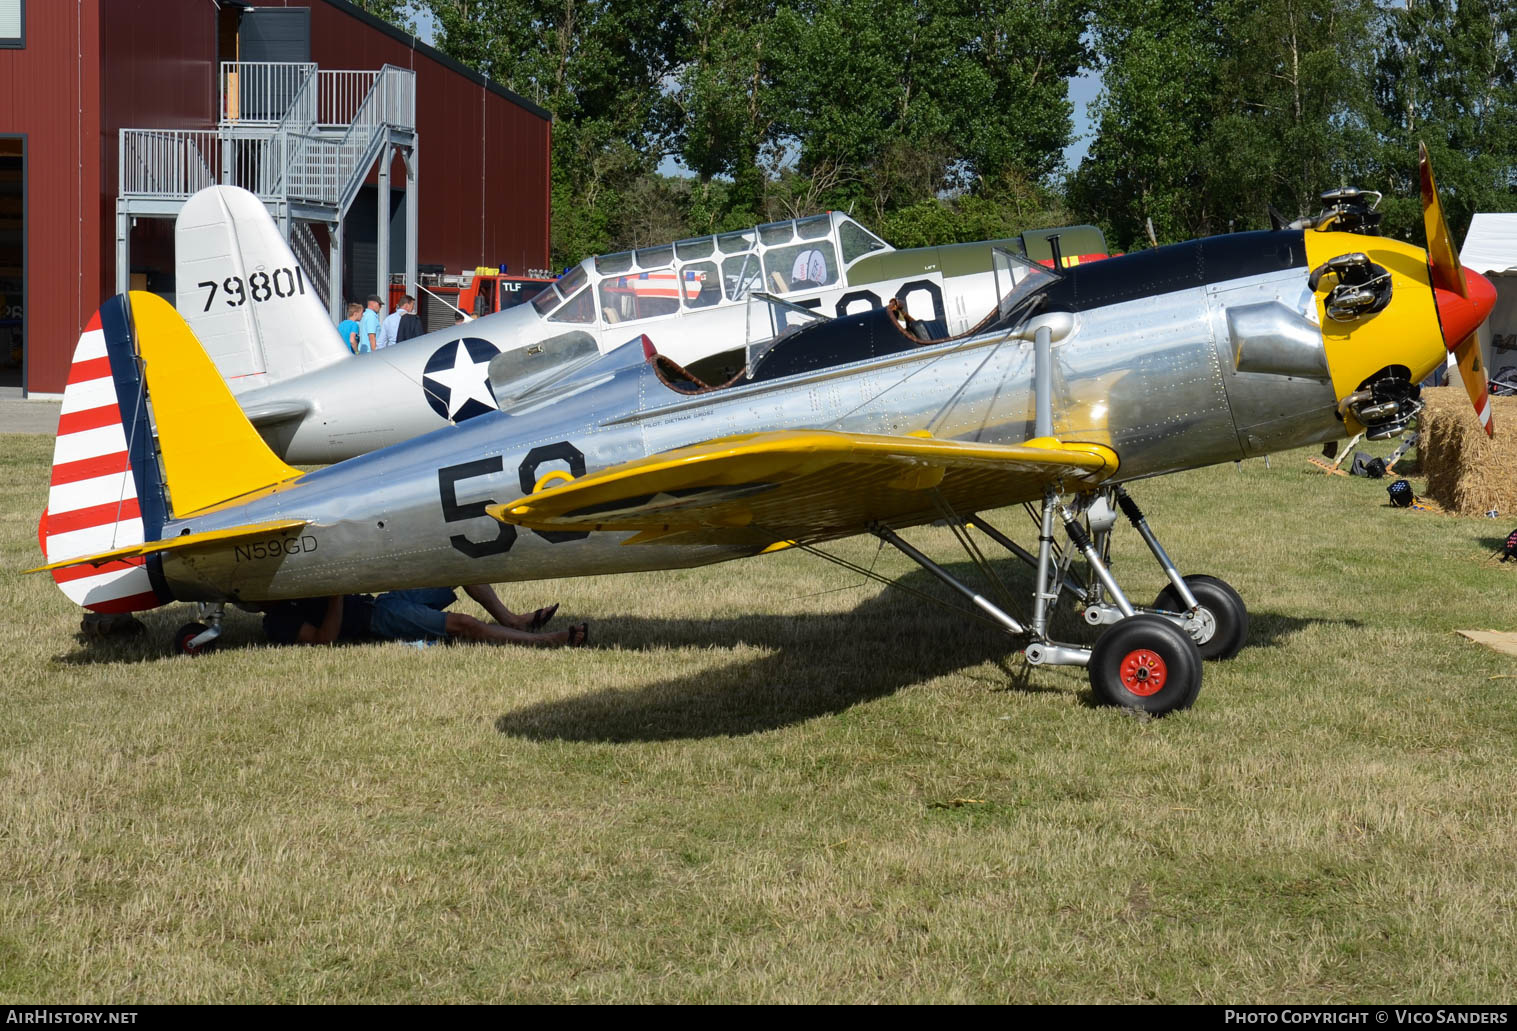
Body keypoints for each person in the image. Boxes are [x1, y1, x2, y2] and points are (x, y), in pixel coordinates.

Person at [262, 584, 587, 648]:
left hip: (383, 601)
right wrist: (335, 593)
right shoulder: (277, 621)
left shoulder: (292, 587)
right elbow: (324, 639)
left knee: (458, 570)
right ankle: (548, 639)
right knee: (465, 625)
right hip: (379, 622)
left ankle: (513, 620)